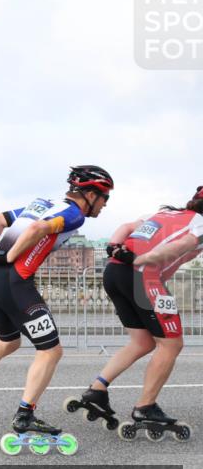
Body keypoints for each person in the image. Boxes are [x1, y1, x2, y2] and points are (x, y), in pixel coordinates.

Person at [0, 165, 113, 442]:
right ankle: (25, 415)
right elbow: (39, 229)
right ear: (90, 194)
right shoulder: (75, 215)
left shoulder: (42, 203)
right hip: (14, 284)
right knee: (51, 351)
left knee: (8, 341)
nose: (105, 205)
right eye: (105, 198)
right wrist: (10, 255)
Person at [69, 185, 203, 440]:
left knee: (142, 342)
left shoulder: (165, 213)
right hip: (144, 277)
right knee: (171, 345)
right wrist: (140, 260)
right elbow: (177, 248)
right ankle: (145, 407)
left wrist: (114, 247)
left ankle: (97, 390)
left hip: (114, 272)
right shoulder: (200, 225)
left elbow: (127, 227)